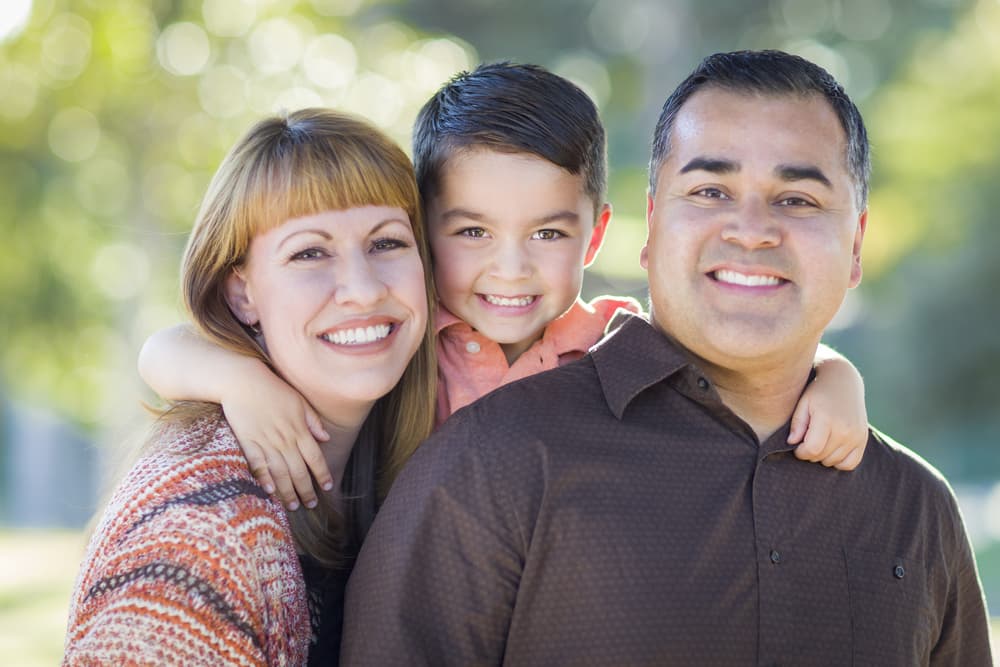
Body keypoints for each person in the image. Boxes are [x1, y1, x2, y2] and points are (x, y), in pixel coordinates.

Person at [339, 51, 994, 665]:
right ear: (650, 229)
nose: (751, 228)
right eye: (710, 190)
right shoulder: (488, 457)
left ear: (855, 245)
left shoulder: (917, 510)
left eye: (796, 199)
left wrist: (836, 372)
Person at [138, 62, 870, 514]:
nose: (511, 270)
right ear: (423, 231)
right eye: (472, 233)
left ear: (594, 233)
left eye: (548, 235)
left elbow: (737, 370)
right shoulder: (400, 345)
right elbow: (164, 349)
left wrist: (837, 377)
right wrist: (241, 382)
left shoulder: (617, 341)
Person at [62, 108, 437, 666]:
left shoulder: (418, 446)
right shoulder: (197, 537)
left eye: (386, 243)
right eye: (309, 252)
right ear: (243, 294)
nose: (362, 289)